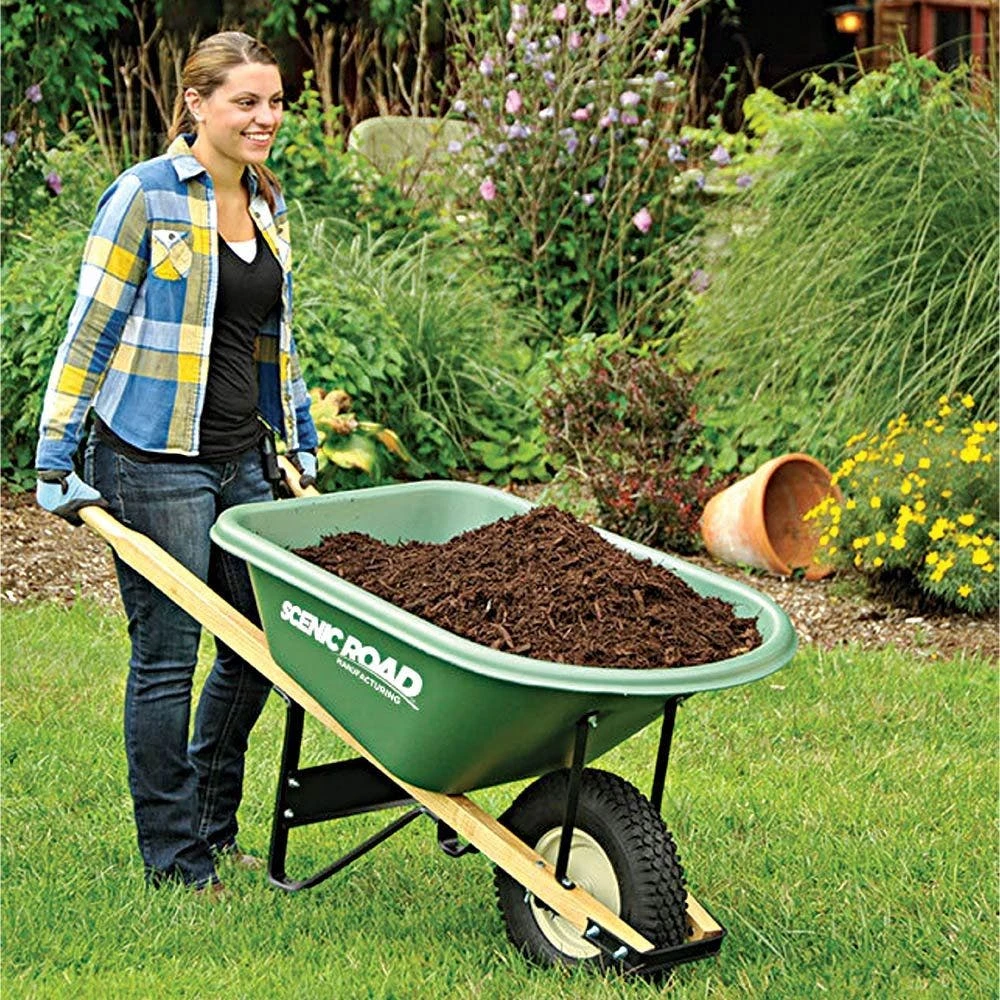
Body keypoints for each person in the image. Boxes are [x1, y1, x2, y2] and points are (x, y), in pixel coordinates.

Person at [34, 31, 319, 893]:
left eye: (275, 102)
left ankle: (209, 825)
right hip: (150, 460)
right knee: (168, 656)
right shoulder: (145, 196)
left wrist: (297, 440)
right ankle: (175, 859)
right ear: (196, 102)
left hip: (240, 458)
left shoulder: (265, 201)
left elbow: (277, 343)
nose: (265, 117)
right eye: (246, 102)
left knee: (262, 642)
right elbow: (90, 329)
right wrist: (55, 456)